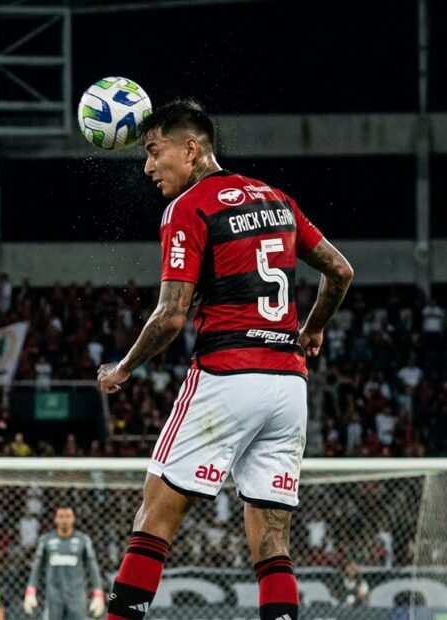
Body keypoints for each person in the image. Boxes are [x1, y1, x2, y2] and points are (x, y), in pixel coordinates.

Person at [97, 99, 353, 620]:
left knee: (154, 518)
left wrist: (123, 368)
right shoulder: (277, 199)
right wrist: (314, 329)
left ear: (191, 149)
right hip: (288, 387)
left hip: (227, 375)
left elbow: (171, 316)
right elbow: (341, 272)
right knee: (272, 541)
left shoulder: (189, 207)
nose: (148, 166)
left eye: (153, 151)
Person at [23, 506, 104, 619]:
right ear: (55, 519)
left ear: (73, 519)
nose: (64, 520)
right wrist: (30, 591)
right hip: (53, 597)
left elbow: (93, 568)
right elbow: (36, 567)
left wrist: (98, 594)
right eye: (61, 516)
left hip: (76, 597)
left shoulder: (83, 540)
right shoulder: (46, 540)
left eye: (68, 516)